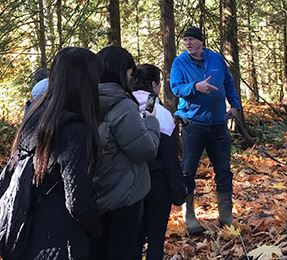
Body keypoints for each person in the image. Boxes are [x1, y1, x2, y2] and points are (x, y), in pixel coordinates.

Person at [11, 47, 103, 259]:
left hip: (27, 230)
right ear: (86, 81)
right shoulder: (73, 130)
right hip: (61, 240)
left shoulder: (36, 114)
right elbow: (78, 202)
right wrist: (97, 230)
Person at [89, 46, 160, 260]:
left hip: (96, 193)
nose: (133, 77)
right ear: (121, 71)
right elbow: (145, 150)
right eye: (131, 72)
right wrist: (151, 121)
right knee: (125, 250)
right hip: (124, 195)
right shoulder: (122, 107)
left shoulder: (86, 100)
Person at [170, 26, 241, 234]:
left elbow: (228, 83)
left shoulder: (216, 59)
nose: (188, 43)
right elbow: (175, 87)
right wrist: (194, 87)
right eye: (185, 40)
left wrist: (234, 105)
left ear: (201, 41)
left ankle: (226, 216)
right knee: (188, 171)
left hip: (219, 125)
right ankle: (189, 216)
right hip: (193, 125)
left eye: (191, 39)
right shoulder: (179, 63)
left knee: (223, 169)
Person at [132, 64, 187, 260]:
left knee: (134, 239)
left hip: (131, 183)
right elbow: (170, 158)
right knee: (155, 239)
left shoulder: (125, 108)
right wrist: (179, 191)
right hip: (157, 184)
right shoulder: (160, 112)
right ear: (155, 84)